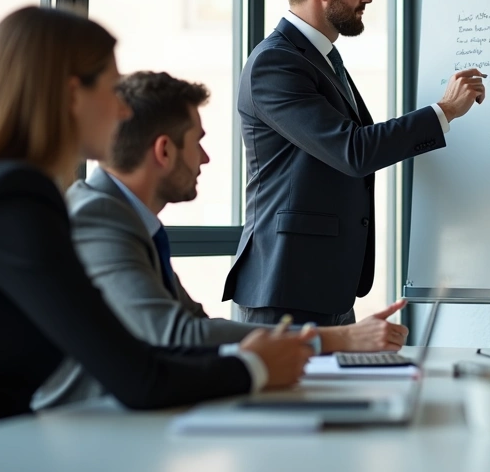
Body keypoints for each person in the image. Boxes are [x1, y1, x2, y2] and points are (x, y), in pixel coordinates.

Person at [0, 7, 315, 446]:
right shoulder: (11, 198)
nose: (123, 108)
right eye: (112, 87)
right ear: (73, 94)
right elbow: (137, 377)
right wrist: (255, 367)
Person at [35, 71, 411, 408]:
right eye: (196, 142)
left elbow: (195, 322)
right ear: (164, 151)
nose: (206, 158)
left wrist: (332, 338)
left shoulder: (125, 216)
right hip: (78, 429)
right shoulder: (98, 217)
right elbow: (179, 335)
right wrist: (339, 339)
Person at [225, 0, 486, 327]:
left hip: (324, 286)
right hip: (284, 290)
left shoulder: (324, 58)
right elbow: (354, 151)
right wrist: (444, 111)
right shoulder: (274, 64)